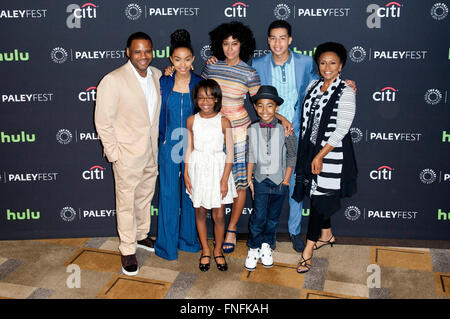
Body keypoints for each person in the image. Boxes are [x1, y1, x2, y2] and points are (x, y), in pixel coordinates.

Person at [202, 21, 292, 254]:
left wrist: (281, 118)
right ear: (219, 45)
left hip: (240, 134)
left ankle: (231, 228)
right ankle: (219, 228)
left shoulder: (249, 72)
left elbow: (261, 103)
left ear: (243, 45)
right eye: (225, 43)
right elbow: (200, 94)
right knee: (216, 181)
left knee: (241, 182)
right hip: (213, 132)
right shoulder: (211, 68)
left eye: (234, 43)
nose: (230, 48)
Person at [94, 32, 161, 276]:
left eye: (147, 51)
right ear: (127, 52)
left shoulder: (157, 75)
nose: (143, 56)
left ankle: (142, 235)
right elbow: (103, 121)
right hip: (126, 155)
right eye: (137, 51)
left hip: (152, 152)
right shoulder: (113, 80)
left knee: (145, 197)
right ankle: (127, 249)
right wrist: (114, 154)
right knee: (126, 203)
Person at [292, 42, 358, 273]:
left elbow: (341, 129)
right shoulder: (313, 85)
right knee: (316, 195)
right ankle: (327, 234)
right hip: (309, 150)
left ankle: (307, 251)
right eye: (322, 62)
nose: (327, 67)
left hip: (331, 155)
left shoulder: (346, 91)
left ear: (341, 65)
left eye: (332, 62)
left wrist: (320, 156)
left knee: (320, 199)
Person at [154, 29, 202, 261]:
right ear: (171, 60)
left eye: (187, 59)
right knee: (169, 195)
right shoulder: (163, 82)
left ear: (193, 59)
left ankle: (189, 241)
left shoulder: (202, 84)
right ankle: (167, 246)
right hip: (168, 145)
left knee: (191, 193)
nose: (182, 64)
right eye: (177, 59)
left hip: (194, 146)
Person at [184, 79, 237, 271]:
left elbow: (230, 153)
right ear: (195, 99)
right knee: (199, 211)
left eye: (209, 97)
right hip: (197, 169)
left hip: (217, 169)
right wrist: (186, 175)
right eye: (201, 98)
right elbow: (188, 149)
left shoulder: (224, 121)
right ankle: (205, 249)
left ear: (217, 99)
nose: (205, 102)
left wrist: (224, 180)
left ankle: (218, 250)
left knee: (219, 214)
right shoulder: (191, 120)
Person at [245, 86, 297, 271]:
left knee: (273, 217)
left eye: (269, 106)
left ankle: (267, 245)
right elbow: (250, 155)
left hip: (280, 181)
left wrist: (286, 180)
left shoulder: (286, 129)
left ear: (276, 109)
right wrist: (249, 179)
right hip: (259, 180)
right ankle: (254, 247)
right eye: (260, 106)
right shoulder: (252, 128)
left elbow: (292, 155)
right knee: (258, 216)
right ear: (256, 108)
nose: (265, 110)